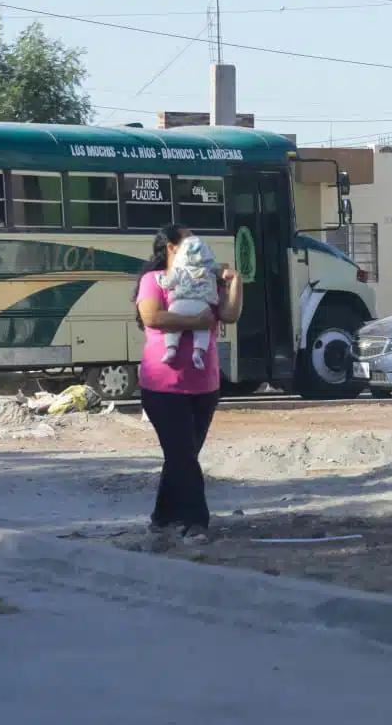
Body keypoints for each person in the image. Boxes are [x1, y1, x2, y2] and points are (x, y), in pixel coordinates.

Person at [132, 224, 243, 544]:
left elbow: (230, 315)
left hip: (204, 385)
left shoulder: (207, 280)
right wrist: (195, 322)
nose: (199, 243)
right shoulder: (153, 281)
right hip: (163, 385)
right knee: (183, 456)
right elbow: (152, 317)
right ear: (171, 247)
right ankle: (196, 522)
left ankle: (162, 518)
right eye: (190, 239)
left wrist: (235, 283)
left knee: (183, 453)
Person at [157, 235, 220, 370]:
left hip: (179, 304)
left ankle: (171, 349)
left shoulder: (179, 270)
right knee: (203, 329)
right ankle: (198, 353)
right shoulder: (207, 272)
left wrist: (160, 278)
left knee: (173, 327)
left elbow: (167, 283)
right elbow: (212, 291)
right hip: (200, 305)